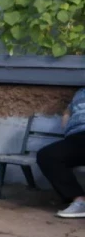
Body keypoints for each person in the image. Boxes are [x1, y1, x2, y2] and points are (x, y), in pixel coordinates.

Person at [36, 87, 85, 218]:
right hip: (76, 138)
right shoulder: (79, 93)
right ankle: (79, 201)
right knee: (47, 156)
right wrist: (67, 116)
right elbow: (69, 110)